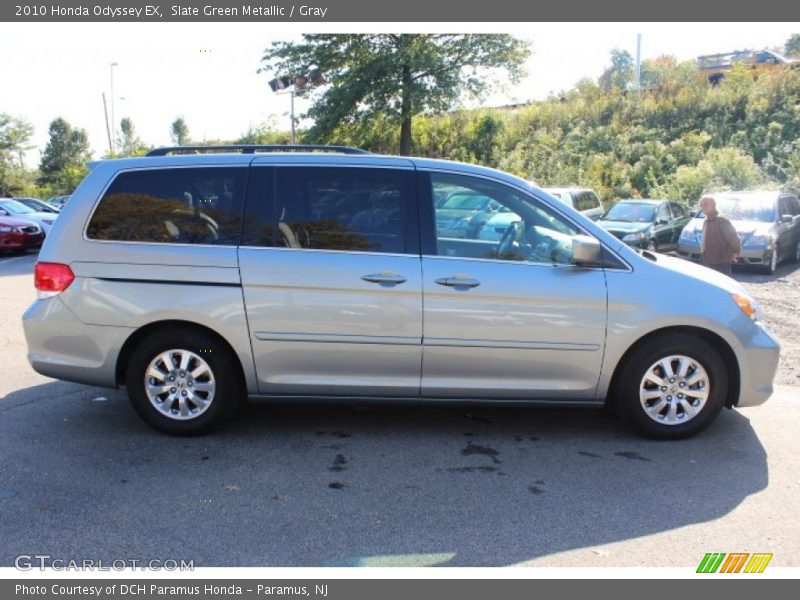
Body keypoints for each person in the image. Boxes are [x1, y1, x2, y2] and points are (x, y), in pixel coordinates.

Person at [699, 195, 740, 276]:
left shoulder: (721, 220)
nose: (703, 207)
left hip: (721, 261)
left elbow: (733, 238)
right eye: (701, 205)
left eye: (705, 204)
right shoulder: (706, 222)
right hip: (706, 259)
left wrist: (736, 252)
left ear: (713, 205)